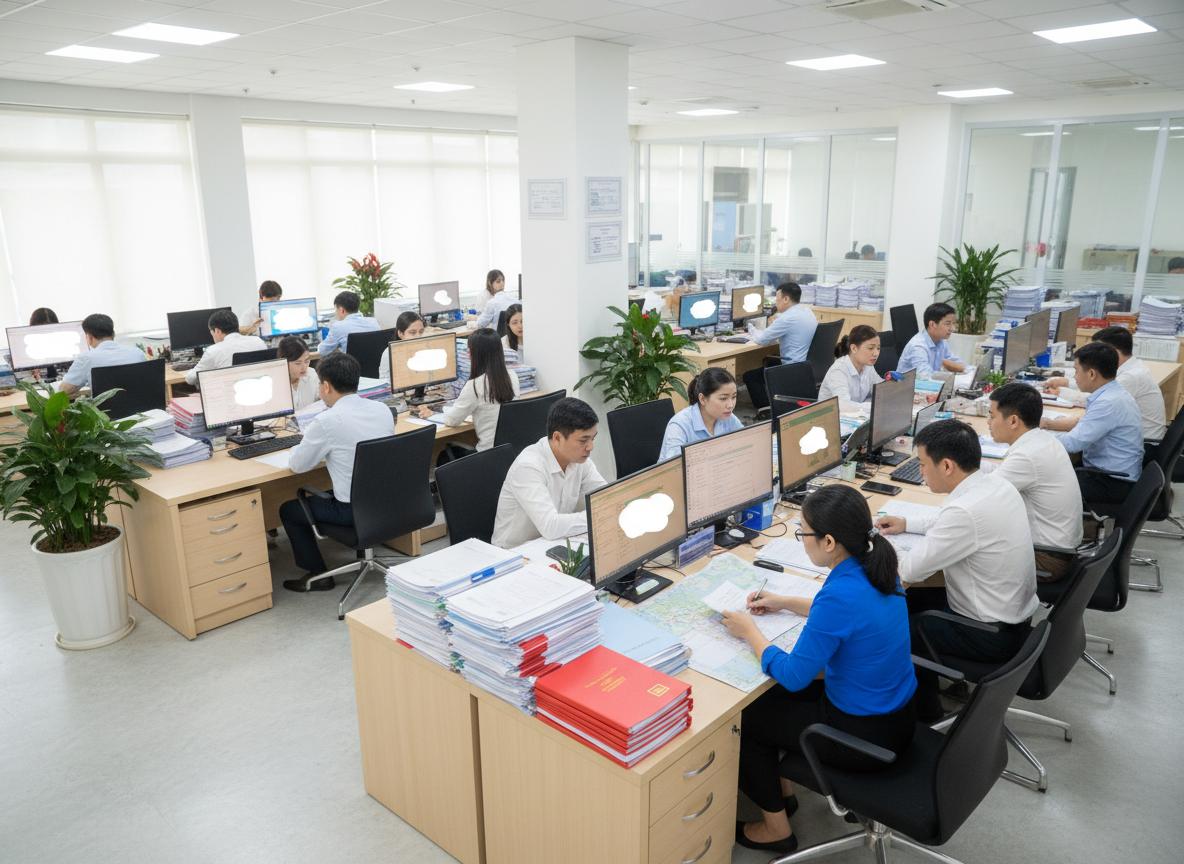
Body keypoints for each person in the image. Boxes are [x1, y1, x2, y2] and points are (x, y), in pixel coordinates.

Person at [721, 485, 916, 853]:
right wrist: (785, 602)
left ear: (828, 542)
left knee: (746, 719)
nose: (802, 540)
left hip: (864, 739)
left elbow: (794, 675)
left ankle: (776, 829)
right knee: (772, 700)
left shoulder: (841, 593)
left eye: (804, 533)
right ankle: (783, 793)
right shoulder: (877, 566)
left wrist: (750, 632)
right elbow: (847, 613)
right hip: (899, 717)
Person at [874, 420, 1037, 722]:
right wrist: (907, 523)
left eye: (922, 464)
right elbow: (949, 520)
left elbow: (908, 571)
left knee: (894, 628)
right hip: (1013, 618)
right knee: (911, 602)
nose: (921, 471)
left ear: (947, 466)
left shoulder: (964, 513)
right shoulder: (994, 485)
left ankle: (925, 716)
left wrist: (874, 550)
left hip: (989, 634)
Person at [279, 352, 395, 592]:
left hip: (351, 510)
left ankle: (318, 575)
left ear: (326, 386)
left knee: (289, 509)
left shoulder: (327, 421)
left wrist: (296, 447)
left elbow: (298, 466)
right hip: (390, 501)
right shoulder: (382, 409)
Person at [983, 383, 1083, 581]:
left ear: (1013, 421)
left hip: (1046, 558)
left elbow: (980, 499)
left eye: (992, 416)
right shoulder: (1043, 440)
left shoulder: (1027, 456)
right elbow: (1000, 475)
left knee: (961, 551)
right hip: (1060, 548)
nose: (988, 422)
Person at [1042, 341, 1143, 514]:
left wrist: (1032, 436)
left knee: (1041, 487)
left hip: (1113, 481)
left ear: (1091, 374)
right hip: (1112, 472)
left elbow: (1072, 444)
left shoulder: (1108, 403)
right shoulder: (1113, 393)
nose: (1075, 377)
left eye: (1076, 371)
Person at [491, 397, 605, 549]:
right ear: (557, 438)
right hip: (515, 553)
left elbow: (607, 496)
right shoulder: (528, 466)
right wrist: (597, 515)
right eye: (583, 440)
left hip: (553, 544)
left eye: (592, 439)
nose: (590, 447)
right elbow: (551, 526)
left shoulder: (579, 461)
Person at [1044, 326, 1165, 439]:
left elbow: (1095, 399)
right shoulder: (1132, 366)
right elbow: (1100, 383)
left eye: (1098, 349)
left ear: (1113, 352)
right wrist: (1067, 383)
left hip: (1144, 442)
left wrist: (1060, 394)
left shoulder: (1130, 377)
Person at [417, 328, 518, 452]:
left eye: (469, 350)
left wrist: (433, 413)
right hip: (510, 450)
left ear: (473, 354)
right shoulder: (512, 376)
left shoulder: (475, 385)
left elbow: (452, 420)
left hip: (488, 454)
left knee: (445, 453)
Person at [659, 367, 743, 461]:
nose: (730, 405)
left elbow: (746, 445)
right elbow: (676, 467)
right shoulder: (679, 425)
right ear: (702, 399)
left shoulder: (729, 418)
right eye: (723, 398)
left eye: (734, 397)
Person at [58, 313, 146, 396]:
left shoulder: (86, 358)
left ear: (89, 337)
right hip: (140, 406)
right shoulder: (137, 353)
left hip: (105, 407)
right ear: (113, 334)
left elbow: (64, 391)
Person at [184, 309, 267, 386]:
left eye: (211, 332)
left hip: (231, 394)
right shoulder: (259, 341)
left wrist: (190, 370)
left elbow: (190, 379)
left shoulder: (213, 351)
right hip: (262, 392)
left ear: (217, 331)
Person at [745, 282, 817, 362]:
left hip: (791, 365)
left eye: (777, 299)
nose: (776, 303)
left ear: (786, 299)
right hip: (806, 364)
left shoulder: (786, 318)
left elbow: (761, 340)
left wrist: (751, 328)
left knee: (754, 369)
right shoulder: (808, 311)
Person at [817, 325, 881, 411]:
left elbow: (880, 391)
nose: (876, 353)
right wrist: (873, 406)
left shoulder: (868, 366)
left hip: (856, 416)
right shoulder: (838, 370)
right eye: (870, 348)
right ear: (854, 348)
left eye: (878, 348)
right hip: (830, 417)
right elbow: (844, 406)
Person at [896, 302, 966, 375]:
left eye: (953, 323)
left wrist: (968, 370)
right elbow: (924, 376)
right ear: (932, 324)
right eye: (948, 324)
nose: (953, 329)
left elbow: (954, 360)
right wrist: (950, 376)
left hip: (929, 382)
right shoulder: (918, 346)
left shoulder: (941, 341)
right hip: (912, 382)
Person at [318, 290, 379, 356]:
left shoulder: (338, 327)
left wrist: (337, 348)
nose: (336, 313)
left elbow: (322, 351)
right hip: (374, 363)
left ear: (342, 310)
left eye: (336, 310)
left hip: (350, 363)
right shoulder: (374, 322)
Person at [378, 311, 426, 384]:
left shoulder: (426, 348)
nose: (418, 336)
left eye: (421, 331)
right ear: (400, 333)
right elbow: (384, 382)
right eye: (412, 332)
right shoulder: (389, 353)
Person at [278, 335, 320, 411]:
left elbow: (321, 402)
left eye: (306, 361)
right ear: (284, 362)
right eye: (298, 363)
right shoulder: (275, 382)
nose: (304, 367)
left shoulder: (311, 373)